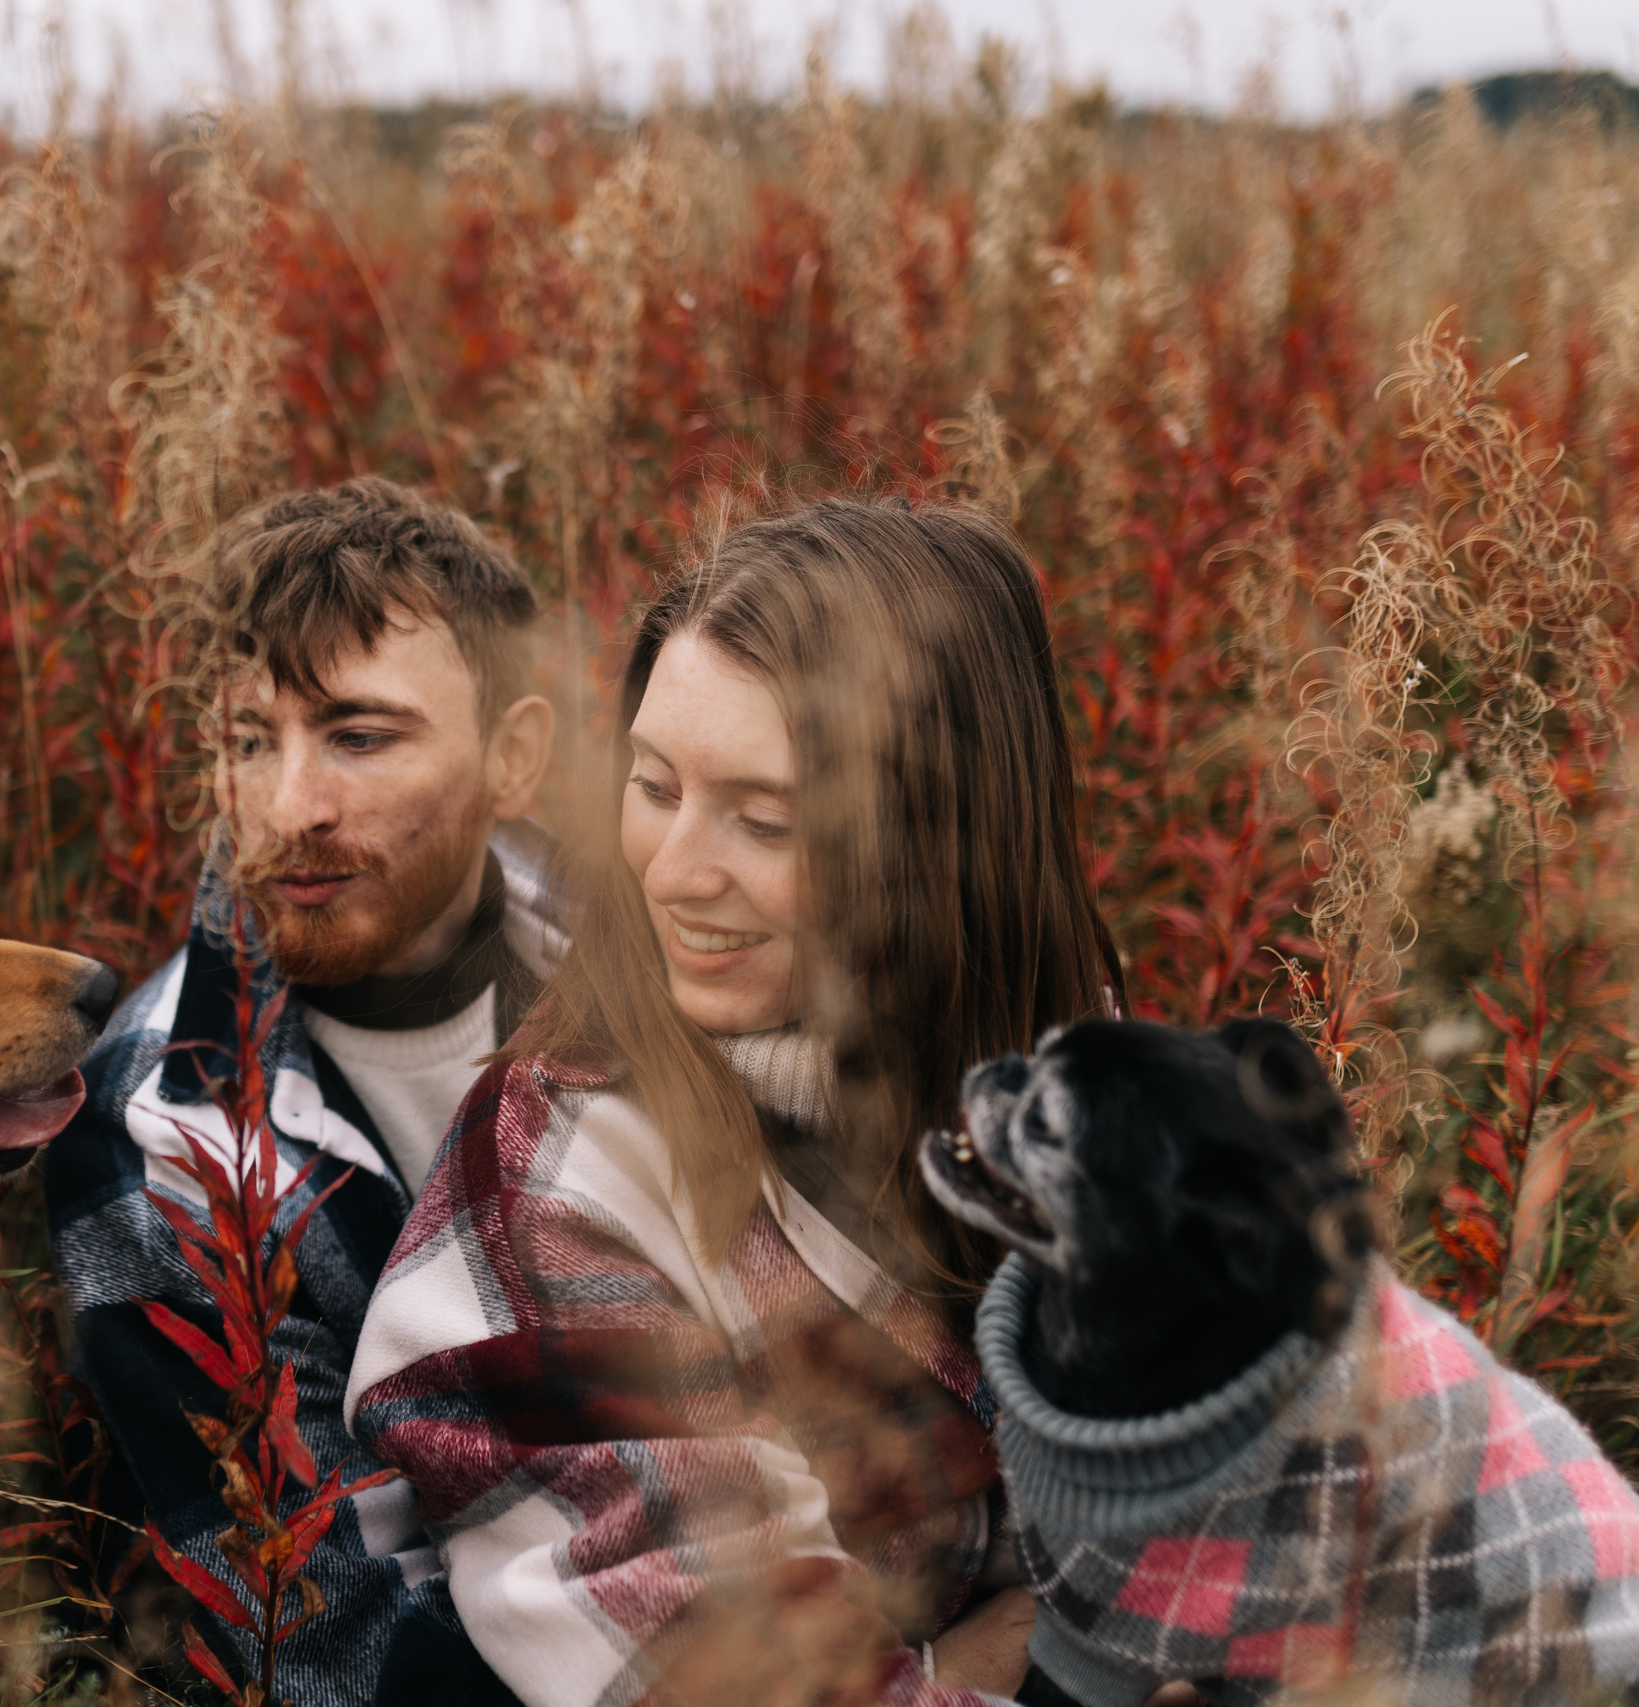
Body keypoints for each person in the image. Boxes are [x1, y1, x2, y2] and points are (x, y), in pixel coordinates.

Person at [348, 497, 1125, 1707]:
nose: (673, 871)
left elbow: (1263, 1526)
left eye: (765, 818)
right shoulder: (560, 1180)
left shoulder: (1068, 1085)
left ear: (940, 838)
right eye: (653, 787)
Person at [46, 477, 561, 1703]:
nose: (284, 810)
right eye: (245, 741)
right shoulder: (154, 1136)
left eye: (359, 736)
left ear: (512, 758)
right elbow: (330, 1650)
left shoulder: (646, 960)